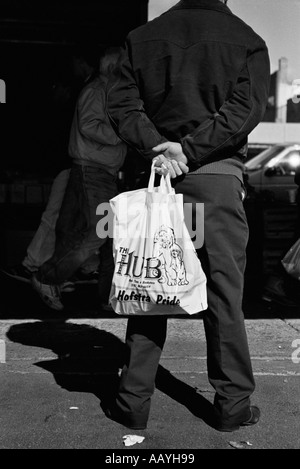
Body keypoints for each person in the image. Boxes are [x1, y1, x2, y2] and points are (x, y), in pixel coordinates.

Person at [104, 0, 270, 432]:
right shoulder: (247, 41)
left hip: (157, 176)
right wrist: (191, 151)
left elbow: (121, 103)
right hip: (215, 181)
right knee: (224, 294)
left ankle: (133, 402)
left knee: (150, 283)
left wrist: (159, 147)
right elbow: (245, 110)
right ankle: (232, 406)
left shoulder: (142, 38)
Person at [31, 46, 127, 311]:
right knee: (101, 232)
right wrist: (121, 133)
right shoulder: (98, 90)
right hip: (93, 171)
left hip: (94, 171)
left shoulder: (103, 90)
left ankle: (106, 295)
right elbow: (89, 125)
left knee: (83, 232)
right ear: (114, 68)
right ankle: (47, 277)